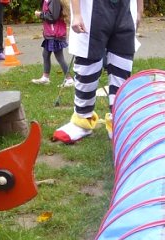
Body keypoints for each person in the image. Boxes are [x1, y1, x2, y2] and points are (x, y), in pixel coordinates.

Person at [51, 0, 144, 144]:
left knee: (122, 66)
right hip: (92, 10)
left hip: (125, 10)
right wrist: (76, 14)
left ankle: (118, 121)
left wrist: (139, 9)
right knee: (88, 66)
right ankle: (82, 120)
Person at [31, 0, 73, 87]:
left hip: (55, 34)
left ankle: (69, 79)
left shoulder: (54, 1)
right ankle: (45, 78)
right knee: (45, 54)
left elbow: (53, 17)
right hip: (50, 33)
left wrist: (40, 15)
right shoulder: (48, 1)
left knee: (59, 57)